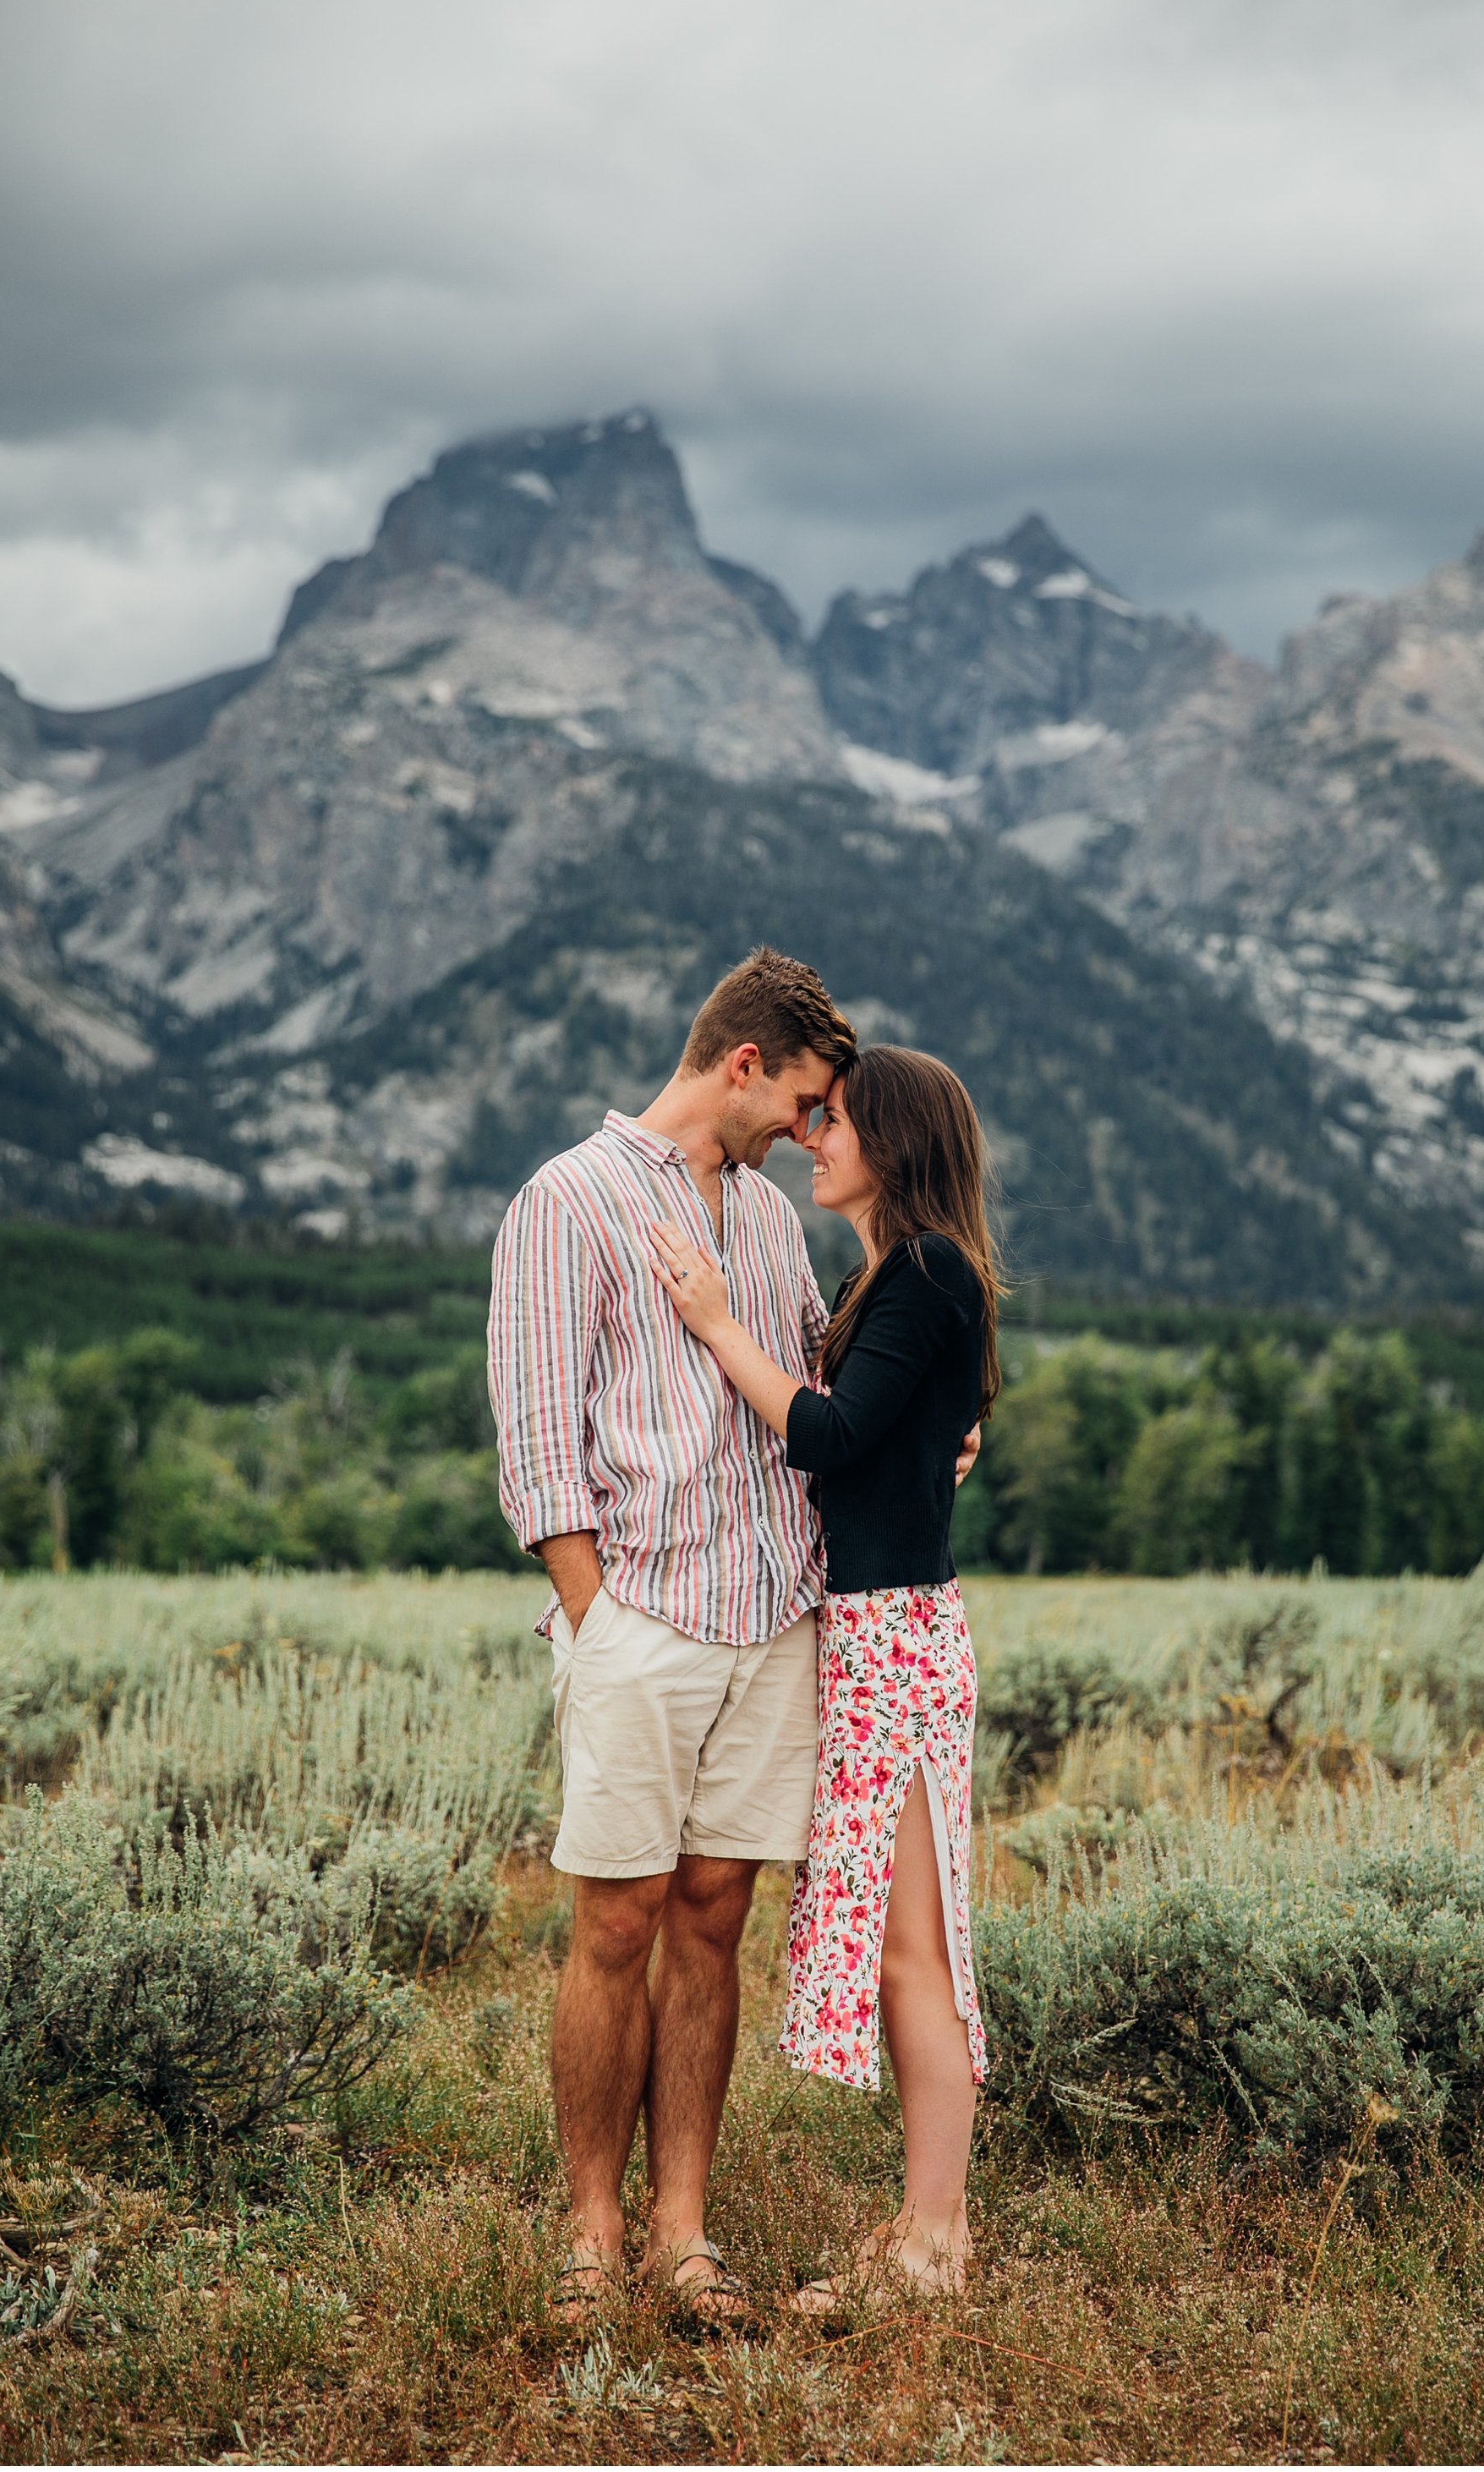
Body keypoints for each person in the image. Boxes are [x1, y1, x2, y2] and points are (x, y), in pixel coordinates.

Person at [485, 948, 860, 2327]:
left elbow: (815, 1381)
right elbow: (536, 1446)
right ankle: (590, 2236)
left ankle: (681, 2233)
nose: (812, 1134)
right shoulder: (564, 1201)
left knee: (713, 1922)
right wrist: (602, 1628)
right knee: (615, 1923)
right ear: (744, 1064)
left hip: (775, 1615)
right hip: (642, 1616)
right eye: (807, 1103)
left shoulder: (767, 1220)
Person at [649, 1044, 1000, 2306]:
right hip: (875, 1634)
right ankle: (927, 2234)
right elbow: (910, 1433)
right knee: (906, 1945)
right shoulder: (894, 1279)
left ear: (894, 1143)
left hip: (898, 1640)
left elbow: (832, 1434)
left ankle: (930, 2244)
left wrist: (714, 1323)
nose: (814, 1134)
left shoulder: (925, 1271)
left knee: (917, 1954)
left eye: (836, 1119)